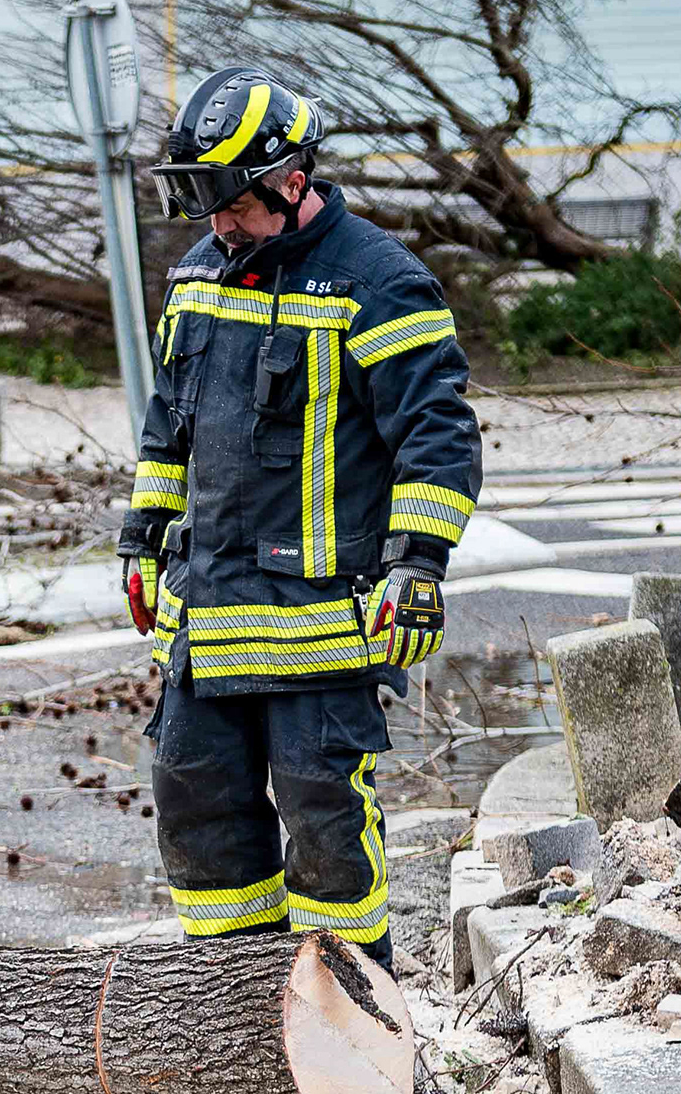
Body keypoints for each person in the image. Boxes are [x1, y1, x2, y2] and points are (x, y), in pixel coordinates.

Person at [125, 65, 482, 974]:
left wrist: (419, 566)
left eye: (233, 203)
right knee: (196, 811)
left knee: (324, 819)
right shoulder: (201, 271)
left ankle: (357, 1014)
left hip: (322, 622)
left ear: (291, 181)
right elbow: (171, 422)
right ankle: (233, 1021)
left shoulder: (380, 284)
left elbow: (436, 440)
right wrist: (141, 537)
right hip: (204, 618)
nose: (218, 225)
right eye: (203, 205)